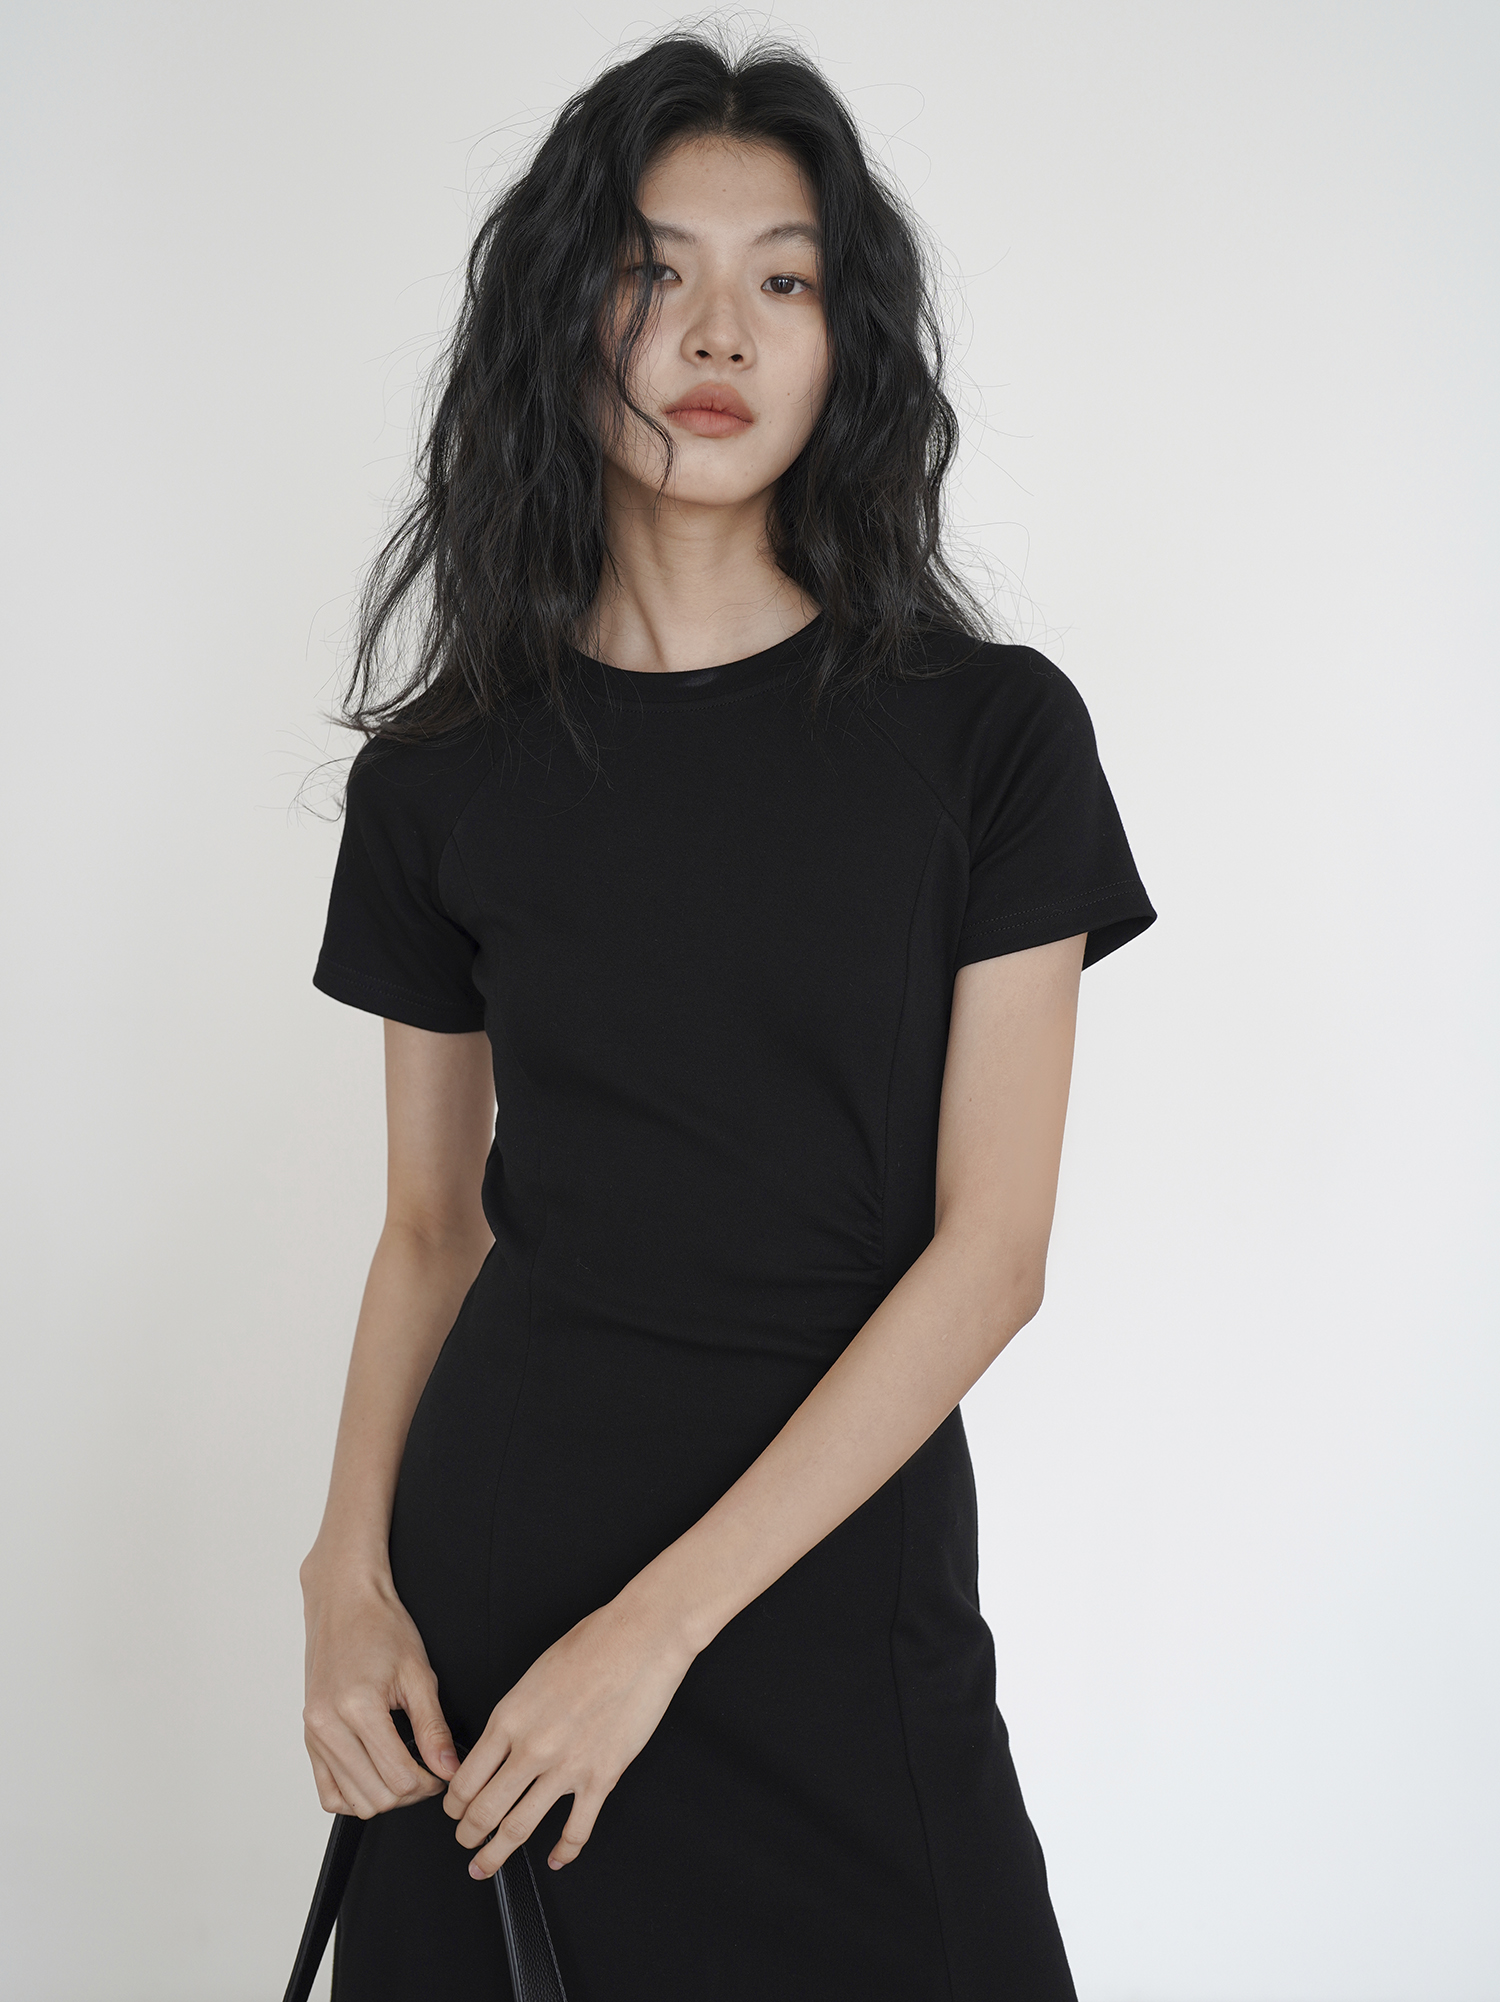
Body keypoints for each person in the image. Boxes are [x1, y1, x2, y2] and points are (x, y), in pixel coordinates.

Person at [300, 28, 1156, 2001]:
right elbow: (430, 1227)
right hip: (493, 1619)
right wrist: (342, 1576)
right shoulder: (441, 777)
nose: (717, 329)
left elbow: (993, 1256)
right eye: (651, 269)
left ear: (849, 341)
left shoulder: (987, 736)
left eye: (785, 278)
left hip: (823, 1589)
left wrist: (653, 1632)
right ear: (562, 317)